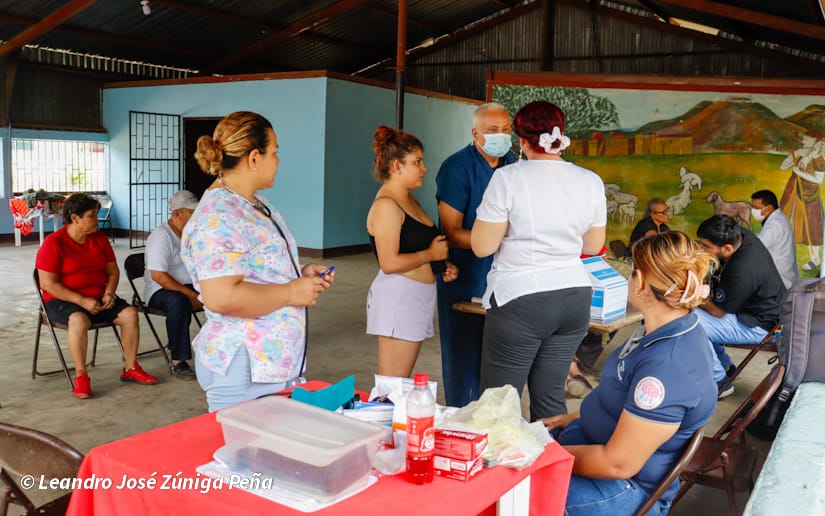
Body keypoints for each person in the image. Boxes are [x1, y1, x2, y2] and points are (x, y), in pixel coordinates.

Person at [542, 231, 718, 516]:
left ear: (642, 283)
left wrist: (543, 457)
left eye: (632, 271)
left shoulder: (665, 368)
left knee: (518, 493)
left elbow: (617, 464)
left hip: (628, 487)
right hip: (597, 444)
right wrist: (573, 417)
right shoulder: (667, 328)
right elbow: (620, 393)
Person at [181, 111, 334, 412]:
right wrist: (291, 292)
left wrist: (297, 276)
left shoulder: (253, 203)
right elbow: (222, 296)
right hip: (244, 365)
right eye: (274, 152)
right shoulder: (219, 217)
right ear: (254, 158)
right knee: (242, 442)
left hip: (266, 363)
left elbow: (253, 268)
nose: (278, 160)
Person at [471, 100, 606, 421]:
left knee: (498, 405)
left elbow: (482, 246)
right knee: (549, 398)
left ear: (521, 139)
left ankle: (502, 455)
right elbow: (593, 244)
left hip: (522, 299)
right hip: (573, 297)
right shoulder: (590, 180)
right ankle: (550, 453)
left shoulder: (507, 178)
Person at [35, 193, 158, 399]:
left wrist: (109, 292)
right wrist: (81, 301)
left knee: (129, 314)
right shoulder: (54, 243)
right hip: (61, 301)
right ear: (75, 218)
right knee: (79, 319)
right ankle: (81, 376)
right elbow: (48, 284)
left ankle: (130, 368)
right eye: (92, 215)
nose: (97, 219)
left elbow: (112, 271)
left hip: (98, 297)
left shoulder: (99, 238)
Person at [435, 102, 516, 407]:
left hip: (507, 277)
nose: (501, 136)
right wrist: (495, 241)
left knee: (500, 362)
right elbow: (451, 231)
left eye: (506, 129)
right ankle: (461, 421)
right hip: (466, 275)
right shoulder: (457, 168)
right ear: (475, 133)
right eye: (493, 130)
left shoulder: (513, 165)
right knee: (464, 359)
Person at [366, 125, 458, 378]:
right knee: (393, 384)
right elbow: (389, 263)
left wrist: (441, 265)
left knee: (400, 381)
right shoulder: (387, 206)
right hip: (398, 297)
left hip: (415, 297)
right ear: (397, 165)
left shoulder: (409, 200)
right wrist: (430, 256)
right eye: (417, 162)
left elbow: (416, 245)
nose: (424, 168)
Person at [695, 215, 785, 382]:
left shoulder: (741, 270)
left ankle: (719, 381)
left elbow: (717, 312)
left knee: (690, 324)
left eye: (706, 246)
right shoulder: (739, 234)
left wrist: (693, 297)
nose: (700, 249)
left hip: (761, 325)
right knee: (691, 315)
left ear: (727, 249)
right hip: (758, 310)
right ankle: (726, 367)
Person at [144, 190, 203, 380]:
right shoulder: (161, 236)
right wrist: (193, 295)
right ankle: (178, 360)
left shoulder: (191, 234)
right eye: (191, 213)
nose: (196, 216)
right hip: (160, 290)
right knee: (179, 302)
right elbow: (159, 276)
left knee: (223, 294)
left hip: (188, 286)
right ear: (177, 213)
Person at [779, 137, 825, 271]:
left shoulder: (819, 159)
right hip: (794, 193)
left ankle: (815, 259)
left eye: (806, 140)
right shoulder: (803, 154)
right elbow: (783, 166)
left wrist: (799, 172)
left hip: (809, 195)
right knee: (790, 221)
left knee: (811, 226)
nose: (802, 142)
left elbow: (819, 180)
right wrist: (798, 153)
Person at [751, 189, 799, 288]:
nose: (753, 211)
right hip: (781, 275)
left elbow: (758, 245)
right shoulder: (777, 219)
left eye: (756, 208)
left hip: (780, 277)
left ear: (768, 208)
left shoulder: (775, 224)